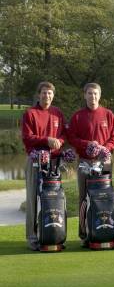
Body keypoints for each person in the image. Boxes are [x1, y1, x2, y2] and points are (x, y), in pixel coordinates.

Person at [67, 83, 114, 247]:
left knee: (104, 197)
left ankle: (105, 230)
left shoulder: (108, 114)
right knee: (84, 198)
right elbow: (71, 137)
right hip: (85, 162)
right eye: (89, 93)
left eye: (95, 94)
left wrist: (105, 148)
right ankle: (85, 234)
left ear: (100, 95)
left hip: (104, 161)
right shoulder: (77, 116)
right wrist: (87, 144)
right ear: (85, 95)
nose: (93, 97)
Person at [21, 81, 66, 251]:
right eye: (44, 93)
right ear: (38, 95)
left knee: (53, 199)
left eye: (50, 93)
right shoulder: (30, 113)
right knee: (33, 199)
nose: (47, 96)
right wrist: (46, 140)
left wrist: (58, 142)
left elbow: (63, 135)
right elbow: (27, 137)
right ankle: (33, 237)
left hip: (53, 162)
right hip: (35, 161)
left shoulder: (58, 113)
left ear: (53, 96)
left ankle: (53, 234)